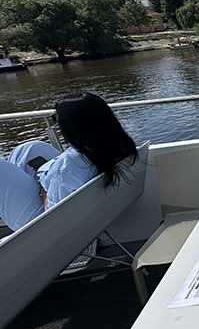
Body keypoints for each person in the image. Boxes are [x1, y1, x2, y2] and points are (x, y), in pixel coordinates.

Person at [0, 92, 138, 231]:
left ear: (70, 126)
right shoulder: (119, 146)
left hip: (46, 229)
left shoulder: (64, 170)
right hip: (94, 212)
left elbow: (54, 219)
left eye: (56, 119)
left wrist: (45, 191)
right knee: (29, 149)